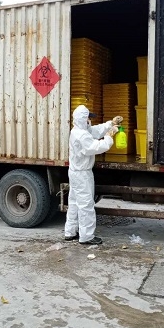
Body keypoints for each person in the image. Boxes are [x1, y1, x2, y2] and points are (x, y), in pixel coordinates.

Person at [64, 105, 122, 245]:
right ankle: (86, 236)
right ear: (83, 119)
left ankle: (70, 232)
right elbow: (95, 147)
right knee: (86, 205)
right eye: (88, 118)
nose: (90, 120)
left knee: (74, 203)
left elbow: (95, 131)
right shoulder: (82, 135)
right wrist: (109, 137)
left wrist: (110, 124)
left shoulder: (78, 130)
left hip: (75, 172)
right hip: (82, 174)